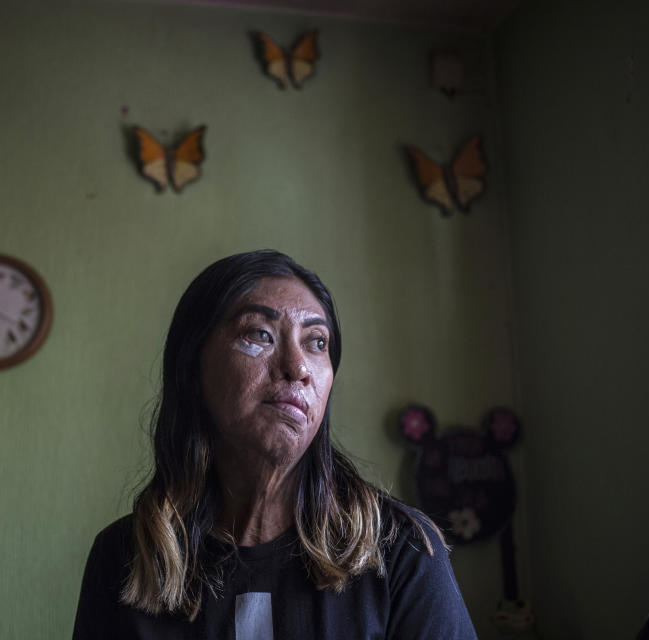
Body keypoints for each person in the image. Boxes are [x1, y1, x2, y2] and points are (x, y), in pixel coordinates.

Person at [73, 250, 477, 639]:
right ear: (192, 366)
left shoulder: (401, 549)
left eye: (317, 342)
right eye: (259, 333)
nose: (298, 368)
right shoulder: (125, 558)